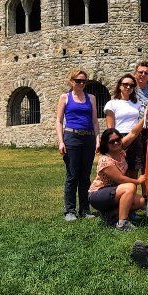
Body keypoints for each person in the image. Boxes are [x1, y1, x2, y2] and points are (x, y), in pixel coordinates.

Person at [56, 69, 99, 221]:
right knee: (72, 175)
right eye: (78, 81)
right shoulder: (65, 97)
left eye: (84, 81)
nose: (81, 84)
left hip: (88, 138)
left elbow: (94, 121)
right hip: (71, 137)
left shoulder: (91, 98)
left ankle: (85, 209)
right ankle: (70, 210)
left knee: (85, 175)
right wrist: (61, 141)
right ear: (72, 81)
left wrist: (97, 139)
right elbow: (59, 121)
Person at [89, 129, 146, 229]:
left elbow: (133, 133)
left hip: (114, 192)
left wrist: (146, 115)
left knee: (141, 201)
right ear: (106, 144)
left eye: (118, 139)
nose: (115, 143)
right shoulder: (105, 160)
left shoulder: (121, 152)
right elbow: (121, 180)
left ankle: (111, 213)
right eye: (111, 141)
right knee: (129, 187)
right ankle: (122, 223)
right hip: (98, 194)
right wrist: (138, 181)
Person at [103, 74, 145, 174]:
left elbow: (142, 121)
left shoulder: (138, 104)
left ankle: (132, 190)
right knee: (120, 171)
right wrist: (114, 142)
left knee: (134, 171)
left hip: (135, 138)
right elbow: (110, 128)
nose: (128, 87)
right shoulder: (112, 103)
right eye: (125, 84)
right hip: (119, 138)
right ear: (120, 86)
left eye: (131, 85)